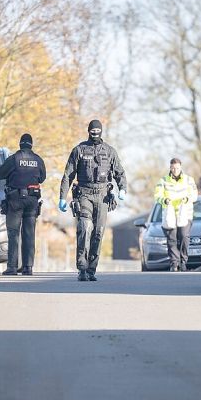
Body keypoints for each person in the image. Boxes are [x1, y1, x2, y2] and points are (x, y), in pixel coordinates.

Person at [59, 120, 127, 282]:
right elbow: (68, 175)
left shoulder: (110, 151)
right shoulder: (79, 150)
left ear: (101, 131)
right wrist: (62, 197)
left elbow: (119, 172)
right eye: (92, 130)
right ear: (88, 131)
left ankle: (91, 269)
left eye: (98, 129)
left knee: (98, 232)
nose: (95, 132)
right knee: (84, 228)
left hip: (103, 195)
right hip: (84, 193)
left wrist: (122, 188)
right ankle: (82, 268)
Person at [0, 133, 46, 276]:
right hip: (32, 200)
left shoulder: (13, 159)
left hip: (15, 200)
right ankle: (28, 267)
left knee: (13, 234)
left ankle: (12, 267)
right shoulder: (38, 160)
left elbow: (0, 174)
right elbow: (42, 178)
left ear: (20, 144)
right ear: (31, 145)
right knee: (29, 234)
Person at [154, 158, 198, 271]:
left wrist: (187, 198)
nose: (175, 170)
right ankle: (174, 263)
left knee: (184, 237)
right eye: (173, 168)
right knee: (172, 239)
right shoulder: (163, 181)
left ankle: (183, 261)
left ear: (181, 167)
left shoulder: (189, 180)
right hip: (170, 215)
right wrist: (164, 200)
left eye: (177, 168)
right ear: (170, 168)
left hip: (185, 214)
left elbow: (194, 195)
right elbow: (157, 196)